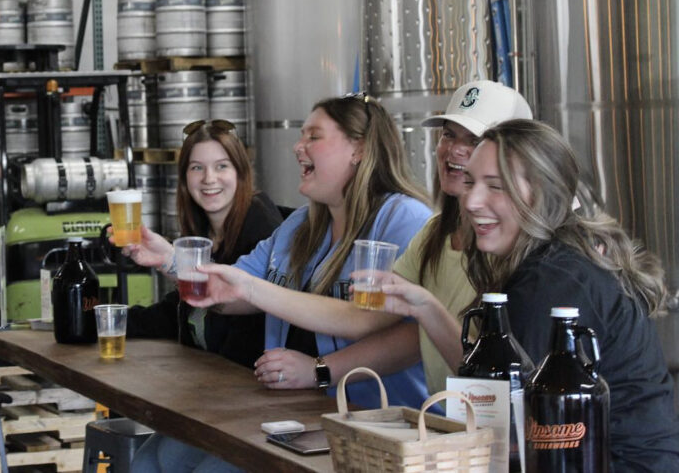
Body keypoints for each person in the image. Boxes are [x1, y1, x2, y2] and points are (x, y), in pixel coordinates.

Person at [127, 94, 432, 473]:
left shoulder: (405, 218)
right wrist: (171, 260)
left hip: (373, 422)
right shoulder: (300, 225)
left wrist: (319, 369)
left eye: (313, 137)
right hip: (291, 409)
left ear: (358, 148)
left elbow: (395, 330)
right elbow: (229, 290)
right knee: (148, 463)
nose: (297, 146)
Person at [190, 80, 533, 395]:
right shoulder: (432, 233)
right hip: (434, 426)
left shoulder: (528, 257)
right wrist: (175, 262)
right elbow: (364, 317)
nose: (456, 150)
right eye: (448, 135)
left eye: (474, 141)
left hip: (424, 422)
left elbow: (517, 388)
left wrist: (319, 369)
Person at [456, 119, 679, 469]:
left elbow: (512, 428)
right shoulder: (562, 261)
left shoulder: (549, 283)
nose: (471, 201)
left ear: (544, 194)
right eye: (468, 182)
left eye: (496, 186)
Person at [126, 119, 283, 368]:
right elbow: (185, 308)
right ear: (185, 177)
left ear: (240, 172)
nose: (209, 178)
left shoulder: (259, 225)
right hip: (206, 374)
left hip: (246, 383)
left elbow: (246, 315)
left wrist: (171, 261)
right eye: (197, 168)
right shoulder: (204, 228)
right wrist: (113, 320)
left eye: (221, 166)